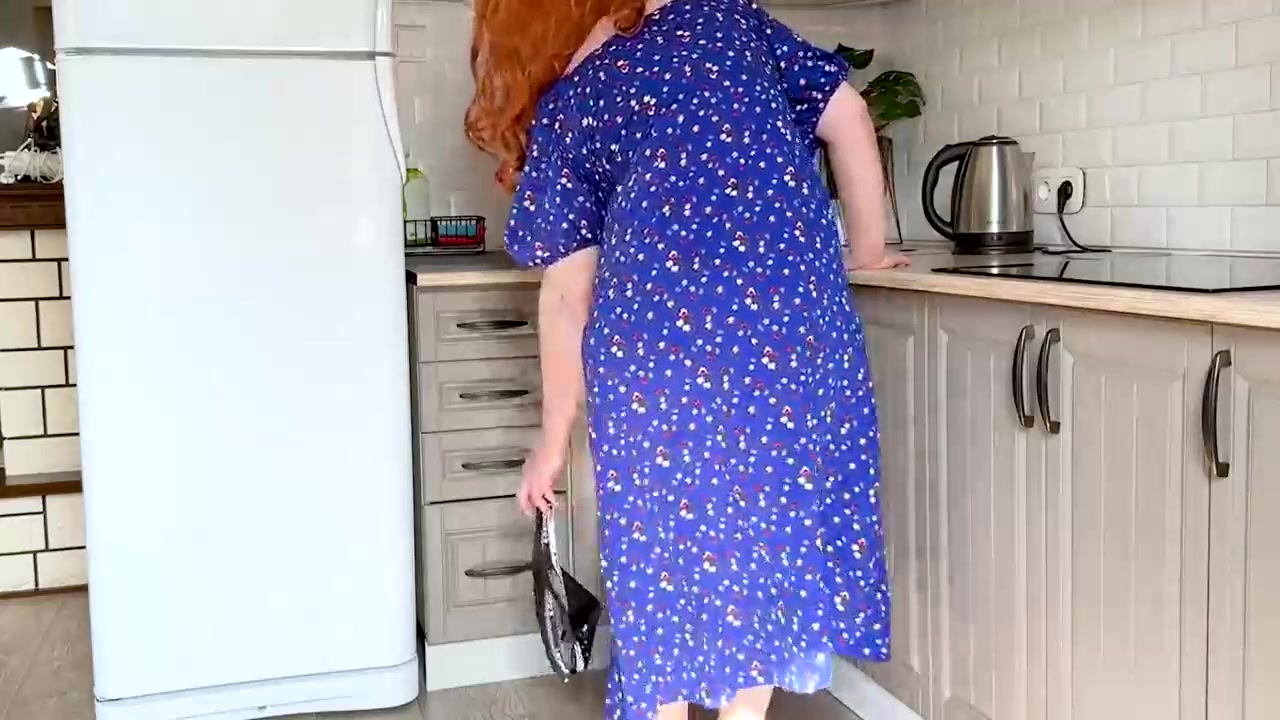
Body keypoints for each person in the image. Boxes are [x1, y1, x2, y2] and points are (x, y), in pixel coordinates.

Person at [466, 1, 907, 718]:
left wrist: (550, 444)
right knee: (767, 547)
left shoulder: (572, 101)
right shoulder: (732, 23)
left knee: (663, 563)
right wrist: (867, 251)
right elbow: (849, 115)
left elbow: (568, 294)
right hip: (779, 336)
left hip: (653, 361)